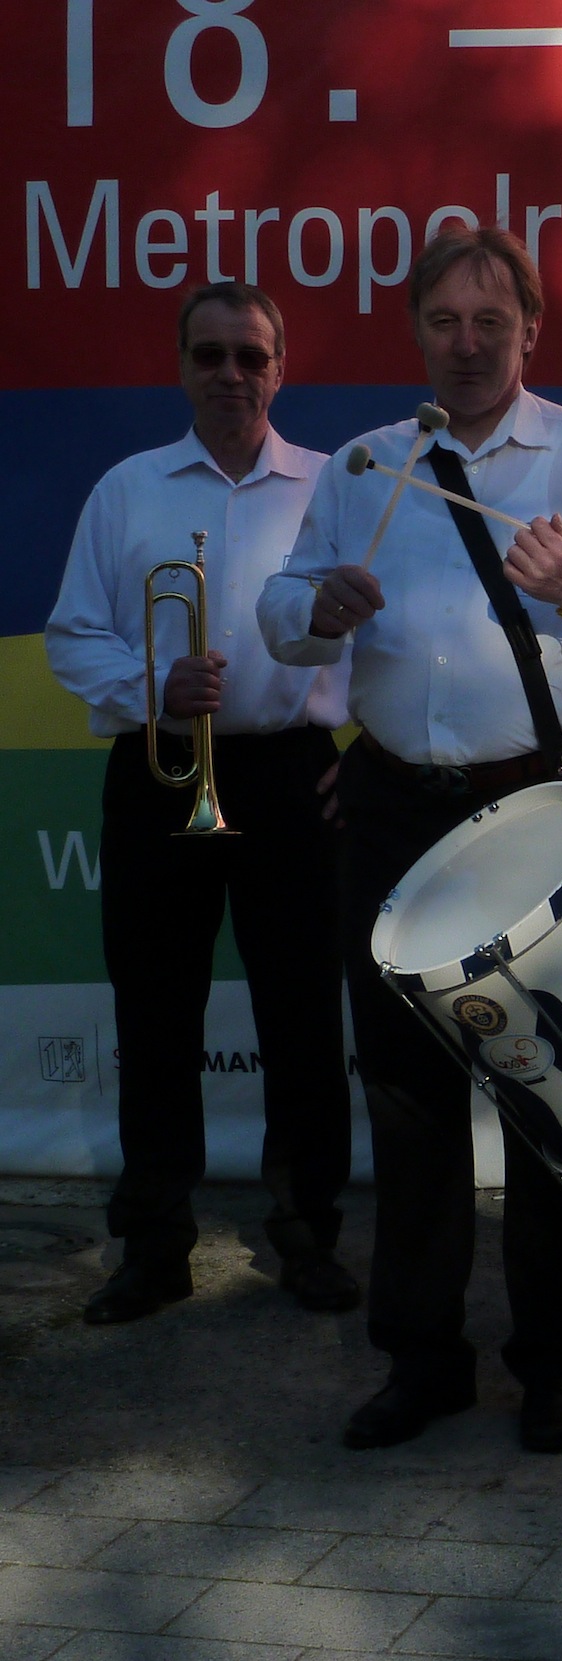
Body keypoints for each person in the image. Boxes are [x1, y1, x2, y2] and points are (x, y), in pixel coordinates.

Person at [258, 228, 562, 1453]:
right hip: (397, 806)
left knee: (557, 1087)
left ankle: (554, 1358)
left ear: (530, 333)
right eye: (444, 321)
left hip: (544, 804)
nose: (466, 344)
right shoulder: (365, 463)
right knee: (406, 1096)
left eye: (489, 323)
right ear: (416, 331)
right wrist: (315, 608)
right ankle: (423, 1358)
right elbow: (284, 613)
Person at [46, 282, 354, 1326]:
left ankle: (309, 1234)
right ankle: (154, 1245)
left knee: (302, 1015)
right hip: (159, 769)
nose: (231, 374)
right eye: (210, 355)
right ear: (181, 367)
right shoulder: (126, 489)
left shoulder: (331, 485)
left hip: (289, 772)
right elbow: (72, 634)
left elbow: (383, 633)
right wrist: (152, 688)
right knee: (156, 1015)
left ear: (281, 367)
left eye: (250, 355)